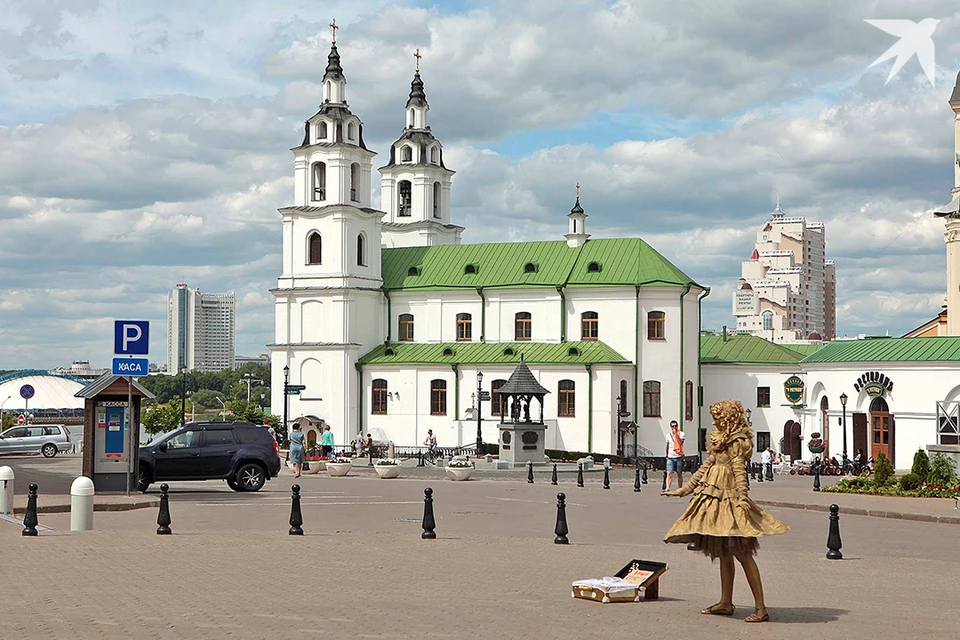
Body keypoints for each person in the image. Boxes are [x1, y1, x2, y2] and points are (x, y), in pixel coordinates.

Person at [662, 400, 789, 623]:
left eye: (718, 417)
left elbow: (740, 471)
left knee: (742, 552)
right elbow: (706, 466)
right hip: (714, 495)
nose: (715, 420)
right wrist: (684, 490)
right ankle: (725, 602)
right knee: (724, 551)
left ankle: (761, 608)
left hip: (729, 496)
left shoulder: (737, 441)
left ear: (728, 418)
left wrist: (742, 498)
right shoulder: (719, 438)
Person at [665, 420, 685, 490]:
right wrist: (666, 455)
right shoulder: (668, 435)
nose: (674, 427)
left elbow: (680, 443)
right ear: (670, 427)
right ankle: (668, 487)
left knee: (679, 473)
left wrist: (676, 435)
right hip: (670, 457)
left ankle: (680, 488)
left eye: (676, 426)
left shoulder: (681, 434)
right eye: (673, 426)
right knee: (669, 473)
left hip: (678, 457)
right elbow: (667, 446)